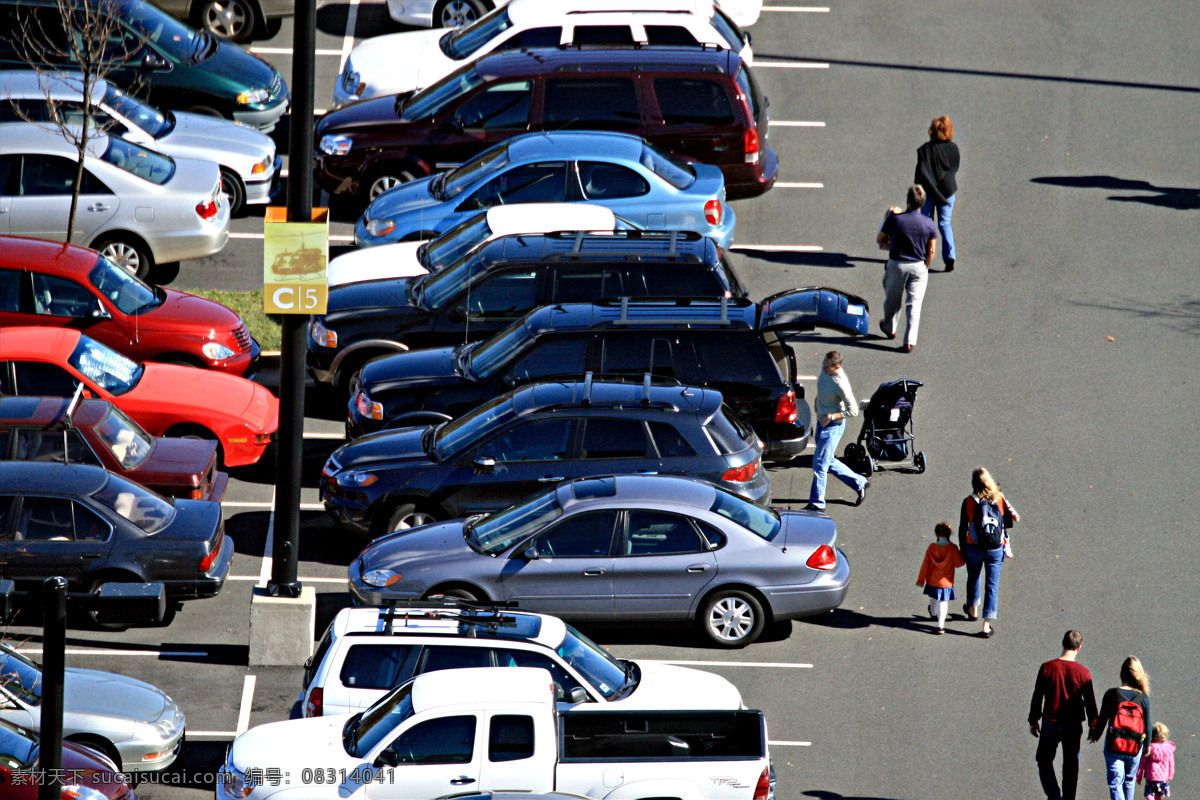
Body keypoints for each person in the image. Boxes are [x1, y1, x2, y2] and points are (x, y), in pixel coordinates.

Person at [1029, 630, 1098, 800]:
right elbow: (1090, 702)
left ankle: (1054, 795)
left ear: (1062, 643)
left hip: (1050, 722)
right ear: (1079, 648)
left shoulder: (1047, 667)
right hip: (1073, 724)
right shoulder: (1083, 673)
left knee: (1044, 761)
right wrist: (1093, 726)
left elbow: (1038, 695)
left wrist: (1033, 719)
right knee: (1071, 765)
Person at [957, 466, 1019, 637]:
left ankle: (972, 609)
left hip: (973, 547)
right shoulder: (998, 499)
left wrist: (963, 548)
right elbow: (1007, 523)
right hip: (995, 548)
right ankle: (986, 624)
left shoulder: (969, 501)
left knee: (974, 576)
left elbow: (963, 528)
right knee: (992, 585)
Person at [876, 184, 937, 352]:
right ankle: (909, 341)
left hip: (897, 265)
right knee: (914, 304)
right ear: (922, 203)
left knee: (892, 300)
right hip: (918, 266)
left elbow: (880, 238)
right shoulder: (929, 223)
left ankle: (889, 328)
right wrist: (925, 267)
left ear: (907, 201)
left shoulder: (895, 219)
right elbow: (931, 250)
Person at [805, 351, 868, 511]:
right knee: (827, 461)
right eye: (823, 366)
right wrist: (818, 400)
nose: (824, 369)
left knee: (820, 465)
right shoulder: (825, 369)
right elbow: (822, 386)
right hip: (821, 422)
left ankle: (817, 503)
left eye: (827, 368)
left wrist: (832, 416)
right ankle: (859, 482)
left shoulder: (841, 383)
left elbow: (853, 411)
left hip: (832, 427)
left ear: (837, 367)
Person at [1090, 656, 1152, 800]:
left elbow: (1103, 719)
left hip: (1114, 744)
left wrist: (1095, 734)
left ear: (1122, 673)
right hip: (1135, 746)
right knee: (1129, 782)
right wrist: (1147, 745)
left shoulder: (1112, 694)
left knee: (1115, 783)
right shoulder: (1143, 698)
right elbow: (1147, 723)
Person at [914, 115, 960, 271]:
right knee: (945, 224)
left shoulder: (926, 150)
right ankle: (950, 257)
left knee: (926, 224)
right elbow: (954, 168)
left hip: (929, 192)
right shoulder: (953, 149)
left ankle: (923, 256)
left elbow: (920, 174)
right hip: (947, 192)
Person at [914, 521, 964, 633]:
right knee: (943, 601)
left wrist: (921, 580)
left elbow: (925, 565)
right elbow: (959, 563)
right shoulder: (952, 548)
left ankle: (933, 612)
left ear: (937, 534)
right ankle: (940, 625)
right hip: (946, 582)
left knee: (933, 596)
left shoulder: (932, 547)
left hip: (932, 579)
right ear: (949, 534)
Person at [1136, 722, 1174, 800]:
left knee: (1149, 794)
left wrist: (1138, 776)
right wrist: (1170, 775)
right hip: (1162, 778)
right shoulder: (1168, 749)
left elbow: (1142, 763)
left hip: (1151, 777)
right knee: (1158, 795)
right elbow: (1171, 763)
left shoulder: (1149, 748)